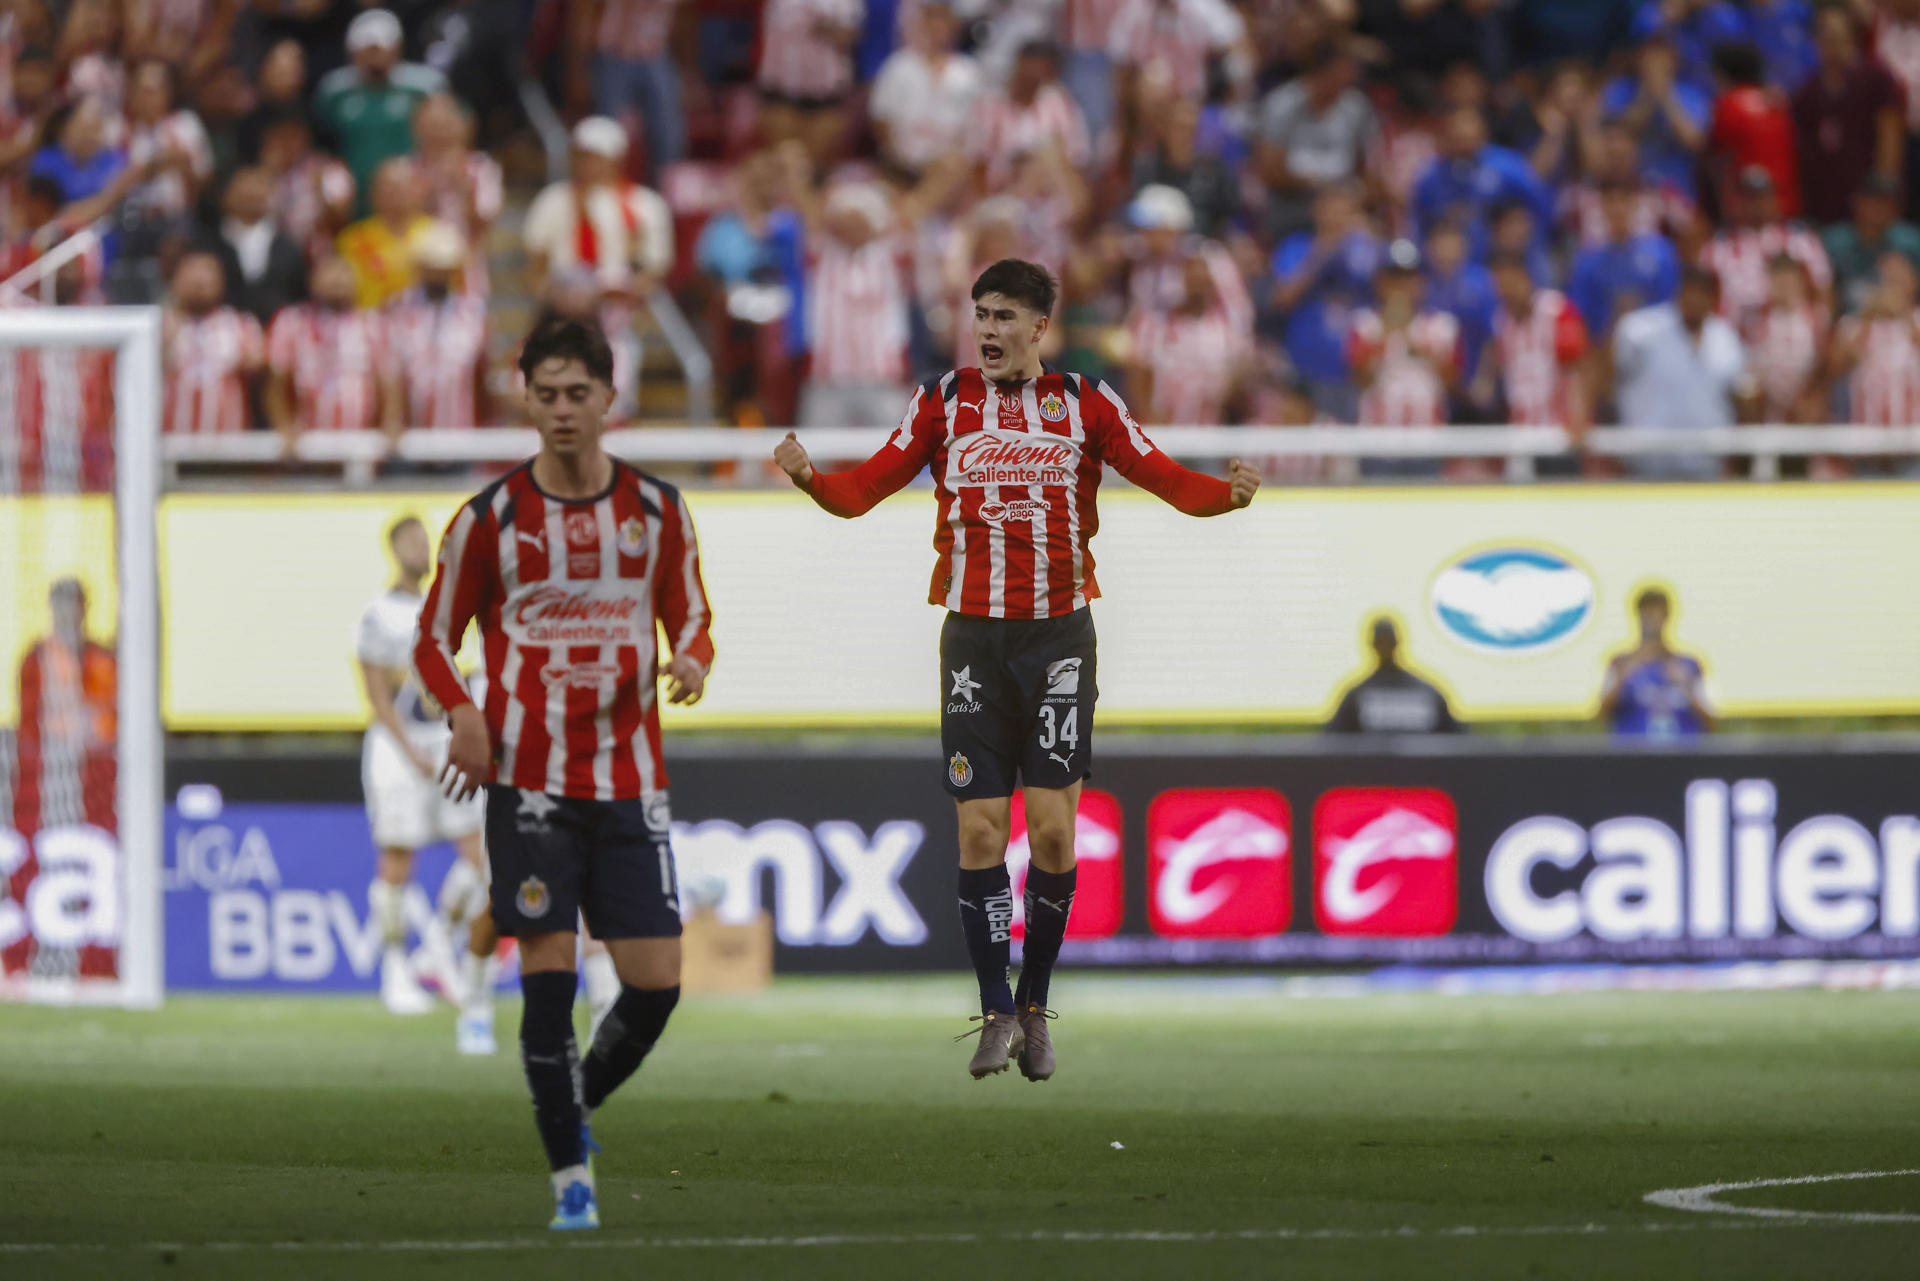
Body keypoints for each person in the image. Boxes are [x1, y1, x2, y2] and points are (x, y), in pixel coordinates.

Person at [772, 259, 1260, 1081]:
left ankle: (1036, 1005)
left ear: (1042, 329)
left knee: (1058, 830)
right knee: (979, 830)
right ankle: (995, 1008)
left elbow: (1166, 479)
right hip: (973, 643)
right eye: (980, 314)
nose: (989, 330)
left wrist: (1229, 496)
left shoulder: (1087, 403)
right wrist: (810, 479)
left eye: (1006, 317)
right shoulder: (940, 402)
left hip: (1059, 640)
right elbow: (863, 493)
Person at [416, 316, 714, 1231]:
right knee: (548, 979)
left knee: (657, 983)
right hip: (529, 783)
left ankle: (571, 1105)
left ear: (607, 399)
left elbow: (692, 617)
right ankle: (569, 1181)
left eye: (577, 393)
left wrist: (695, 660)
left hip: (629, 780)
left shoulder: (658, 511)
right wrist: (464, 713)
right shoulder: (488, 519)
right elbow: (433, 639)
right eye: (544, 394)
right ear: (524, 396)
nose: (561, 410)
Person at [356, 515, 489, 1019]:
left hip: (450, 743)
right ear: (392, 549)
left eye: (422, 539)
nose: (418, 547)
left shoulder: (453, 610)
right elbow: (376, 689)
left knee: (482, 856)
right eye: (408, 540)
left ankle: (437, 946)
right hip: (398, 749)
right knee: (397, 855)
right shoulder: (378, 613)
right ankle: (394, 971)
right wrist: (409, 748)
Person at [1612, 265, 1755, 478]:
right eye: (1690, 292)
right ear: (1678, 293)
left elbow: (1741, 394)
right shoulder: (1641, 330)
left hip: (1709, 464)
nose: (1695, 300)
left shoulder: (1726, 337)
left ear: (1713, 299)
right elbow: (1607, 379)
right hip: (1649, 463)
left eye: (1702, 293)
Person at [311, 9, 447, 218]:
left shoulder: (423, 88)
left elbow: (448, 134)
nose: (374, 57)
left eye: (380, 48)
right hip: (355, 195)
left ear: (396, 49)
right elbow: (321, 143)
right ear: (352, 51)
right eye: (368, 49)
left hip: (411, 192)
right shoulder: (335, 92)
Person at [12, 579, 116, 840]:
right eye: (62, 605)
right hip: (52, 767)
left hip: (100, 772)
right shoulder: (38, 658)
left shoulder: (102, 659)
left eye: (74, 605)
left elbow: (113, 717)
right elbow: (28, 721)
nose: (68, 613)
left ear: (84, 609)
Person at [1791, 4, 1904, 228]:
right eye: (1826, 37)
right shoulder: (1807, 93)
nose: (1833, 45)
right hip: (1826, 200)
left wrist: (1884, 188)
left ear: (1853, 38)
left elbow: (1890, 134)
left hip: (1870, 194)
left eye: (1839, 37)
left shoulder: (1877, 80)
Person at [265, 255, 393, 440]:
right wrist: (283, 425)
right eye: (328, 273)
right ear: (312, 281)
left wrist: (390, 422)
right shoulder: (292, 322)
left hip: (360, 442)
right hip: (306, 442)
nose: (337, 280)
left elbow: (388, 382)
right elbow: (275, 382)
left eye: (343, 273)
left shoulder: (373, 325)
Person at [382, 223, 491, 431]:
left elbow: (480, 370)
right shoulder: (398, 308)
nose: (438, 275)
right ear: (420, 268)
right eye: (432, 268)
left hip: (459, 427)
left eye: (444, 269)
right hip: (409, 429)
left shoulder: (473, 312)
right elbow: (390, 368)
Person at [160, 251, 264, 436]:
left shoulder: (242, 325)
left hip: (228, 444)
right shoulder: (156, 326)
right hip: (169, 443)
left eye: (208, 273)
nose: (199, 280)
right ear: (174, 280)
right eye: (191, 272)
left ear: (221, 282)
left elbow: (261, 368)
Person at [1600, 586, 1713, 740]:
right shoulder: (1620, 662)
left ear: (1667, 616)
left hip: (1682, 756)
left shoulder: (1689, 664)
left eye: (1656, 612)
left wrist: (1685, 686)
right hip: (1632, 755)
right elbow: (1601, 715)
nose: (1651, 619)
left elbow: (1711, 719)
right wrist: (1623, 677)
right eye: (1645, 612)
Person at [200, 167, 309, 325]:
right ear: (226, 197)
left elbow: (298, 296)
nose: (251, 195)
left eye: (257, 192)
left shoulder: (288, 247)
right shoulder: (210, 245)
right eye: (244, 192)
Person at [1327, 617, 1461, 735]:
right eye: (1381, 642)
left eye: (1388, 641)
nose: (1385, 647)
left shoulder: (1428, 693)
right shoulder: (1356, 697)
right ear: (1373, 645)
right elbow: (1333, 743)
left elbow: (1458, 742)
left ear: (1397, 643)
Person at [337, 157, 433, 311]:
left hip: (425, 323)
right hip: (370, 323)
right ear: (373, 193)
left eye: (402, 187)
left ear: (419, 191)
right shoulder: (353, 238)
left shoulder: (438, 236)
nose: (395, 193)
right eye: (388, 187)